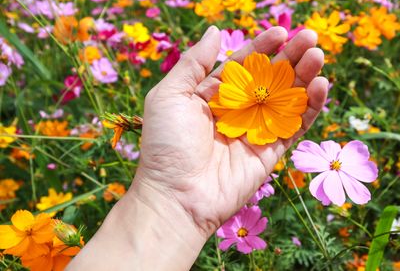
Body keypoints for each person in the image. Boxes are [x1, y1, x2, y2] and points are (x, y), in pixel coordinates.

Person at [67, 26, 328, 270]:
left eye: (261, 93)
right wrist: (168, 198)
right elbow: (232, 98)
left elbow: (285, 102)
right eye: (258, 92)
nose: (259, 94)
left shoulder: (278, 105)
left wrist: (167, 205)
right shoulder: (233, 104)